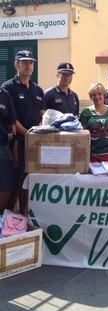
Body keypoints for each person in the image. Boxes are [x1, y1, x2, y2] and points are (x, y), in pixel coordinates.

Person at [1, 50, 46, 214]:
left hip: (35, 145)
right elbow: (11, 120)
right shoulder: (7, 88)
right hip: (16, 144)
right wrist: (29, 134)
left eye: (31, 62)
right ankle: (10, 219)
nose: (28, 65)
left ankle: (25, 215)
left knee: (32, 181)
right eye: (25, 62)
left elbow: (43, 115)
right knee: (15, 183)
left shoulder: (38, 90)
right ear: (16, 65)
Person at [79, 83, 108, 164]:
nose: (97, 97)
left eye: (99, 94)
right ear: (91, 97)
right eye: (94, 95)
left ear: (104, 95)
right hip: (92, 154)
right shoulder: (86, 112)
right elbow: (82, 133)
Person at [0, 88, 18, 215]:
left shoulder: (5, 95)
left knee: (6, 188)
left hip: (3, 148)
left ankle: (1, 219)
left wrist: (15, 155)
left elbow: (12, 125)